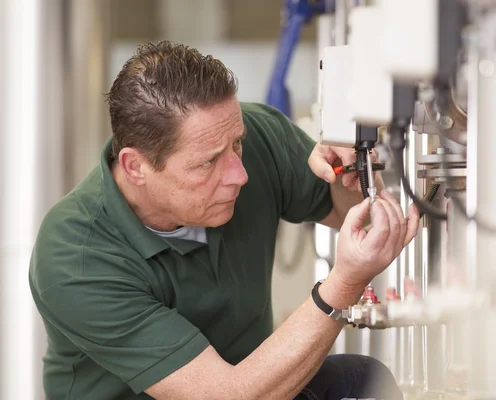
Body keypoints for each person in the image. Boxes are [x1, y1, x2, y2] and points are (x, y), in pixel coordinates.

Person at [29, 41, 419, 400]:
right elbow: (225, 396)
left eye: (237, 144)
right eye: (207, 162)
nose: (239, 173)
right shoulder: (75, 255)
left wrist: (351, 164)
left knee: (363, 381)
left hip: (247, 382)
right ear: (136, 167)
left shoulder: (250, 136)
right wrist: (343, 283)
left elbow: (346, 211)